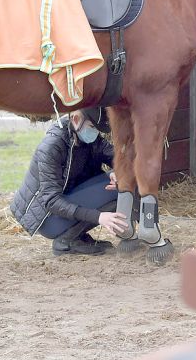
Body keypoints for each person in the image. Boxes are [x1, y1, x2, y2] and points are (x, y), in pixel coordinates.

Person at [9, 106, 128, 255]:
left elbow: (114, 156)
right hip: (48, 218)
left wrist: (118, 172)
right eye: (92, 127)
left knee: (121, 183)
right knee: (114, 193)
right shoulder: (52, 146)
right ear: (76, 119)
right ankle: (66, 241)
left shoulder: (83, 134)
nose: (95, 133)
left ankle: (77, 235)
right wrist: (99, 217)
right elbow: (51, 201)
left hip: (65, 204)